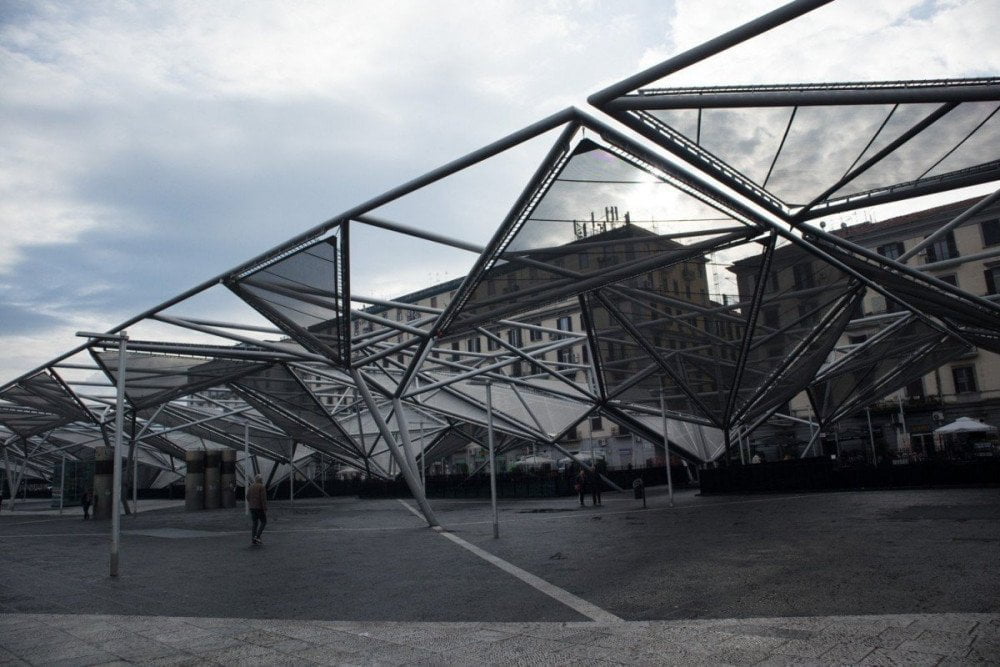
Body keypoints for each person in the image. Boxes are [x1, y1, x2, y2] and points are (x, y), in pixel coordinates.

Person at [247, 474, 267, 545]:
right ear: (261, 480)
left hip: (252, 508)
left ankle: (253, 539)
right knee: (264, 522)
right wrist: (265, 508)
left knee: (255, 523)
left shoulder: (251, 486)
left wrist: (252, 503)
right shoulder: (261, 487)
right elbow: (263, 499)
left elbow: (247, 497)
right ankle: (257, 536)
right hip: (259, 508)